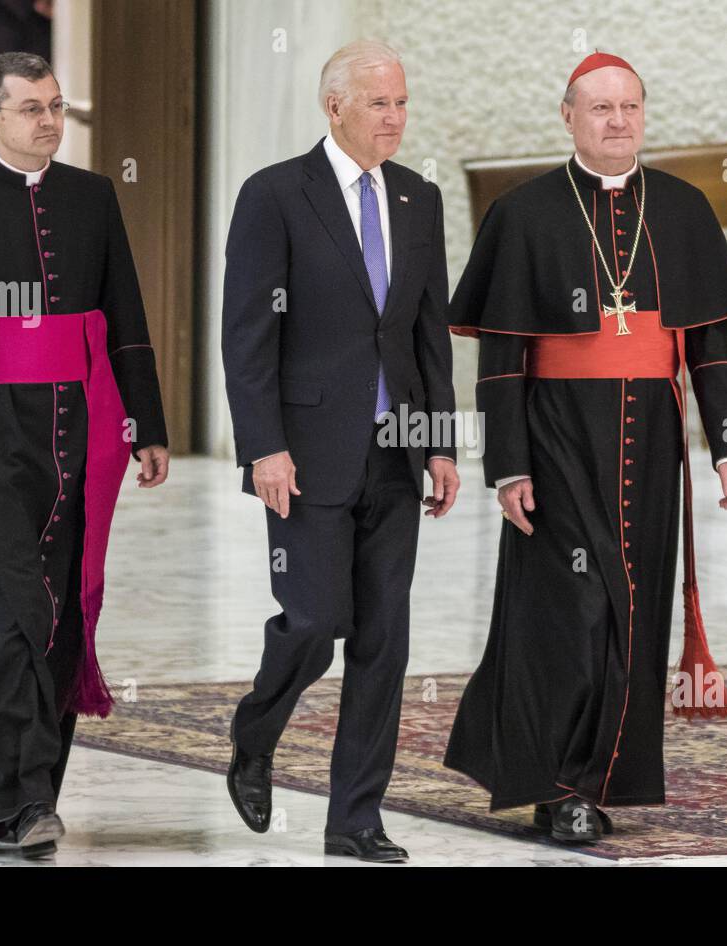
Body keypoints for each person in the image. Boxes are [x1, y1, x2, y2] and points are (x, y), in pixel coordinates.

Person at [442, 51, 727, 843]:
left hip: (651, 436)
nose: (618, 121)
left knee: (634, 611)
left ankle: (599, 781)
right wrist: (506, 465)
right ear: (568, 117)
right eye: (600, 108)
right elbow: (503, 354)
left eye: (630, 108)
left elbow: (712, 343)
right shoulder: (524, 213)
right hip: (555, 435)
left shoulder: (682, 208)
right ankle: (558, 784)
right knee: (573, 606)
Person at [0, 51, 169, 857]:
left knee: (58, 621)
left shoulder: (92, 198)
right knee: (5, 622)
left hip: (75, 437)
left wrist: (145, 425)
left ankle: (28, 805)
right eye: (29, 109)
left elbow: (125, 316)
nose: (48, 121)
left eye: (55, 107)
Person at [221, 39, 459, 863]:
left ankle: (354, 818)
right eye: (379, 104)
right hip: (306, 453)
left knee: (383, 638)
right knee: (315, 621)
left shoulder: (420, 199)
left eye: (401, 103)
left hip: (396, 454)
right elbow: (248, 334)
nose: (395, 118)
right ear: (335, 107)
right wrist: (264, 448)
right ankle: (254, 736)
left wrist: (439, 443)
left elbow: (429, 333)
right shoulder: (274, 196)